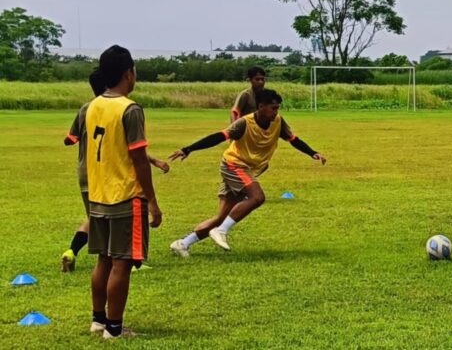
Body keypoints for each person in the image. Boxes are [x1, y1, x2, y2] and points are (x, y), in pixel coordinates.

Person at [169, 89, 326, 257]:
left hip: (248, 169)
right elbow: (219, 137)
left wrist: (312, 152)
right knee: (257, 197)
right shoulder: (244, 123)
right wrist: (189, 149)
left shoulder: (278, 122)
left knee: (222, 216)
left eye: (278, 108)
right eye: (273, 108)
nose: (276, 112)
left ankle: (182, 244)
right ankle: (221, 231)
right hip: (234, 165)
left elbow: (293, 139)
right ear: (261, 106)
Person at [85, 45, 162, 339]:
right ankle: (114, 329)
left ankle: (98, 320)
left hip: (98, 195)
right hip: (125, 196)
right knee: (122, 263)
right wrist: (152, 200)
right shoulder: (130, 109)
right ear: (128, 73)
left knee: (103, 259)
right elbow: (139, 159)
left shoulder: (93, 105)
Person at [61, 71, 169, 273]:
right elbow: (127, 151)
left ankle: (71, 251)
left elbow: (70, 139)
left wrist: (153, 160)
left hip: (87, 173)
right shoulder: (123, 108)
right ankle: (128, 261)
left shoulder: (87, 108)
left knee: (95, 220)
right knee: (114, 220)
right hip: (109, 173)